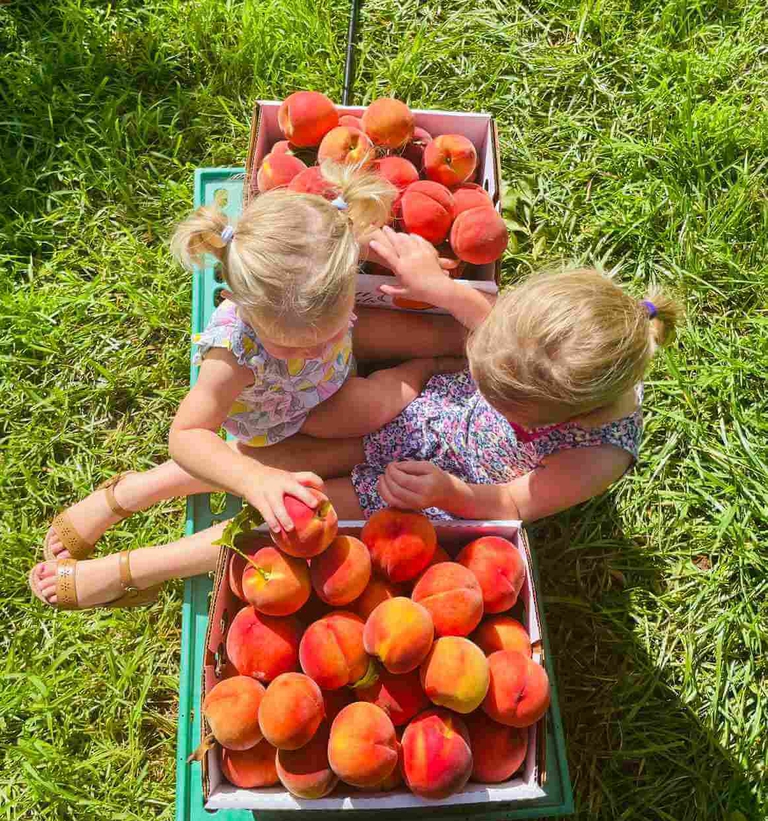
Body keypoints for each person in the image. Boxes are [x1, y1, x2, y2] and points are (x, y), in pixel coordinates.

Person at [30, 232, 680, 610]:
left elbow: (516, 499)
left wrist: (449, 493)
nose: (484, 376)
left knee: (291, 519)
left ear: (561, 411)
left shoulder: (601, 452)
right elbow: (483, 323)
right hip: (416, 417)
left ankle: (143, 568)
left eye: (501, 397)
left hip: (424, 492)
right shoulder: (539, 342)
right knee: (273, 465)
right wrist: (434, 284)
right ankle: (130, 491)